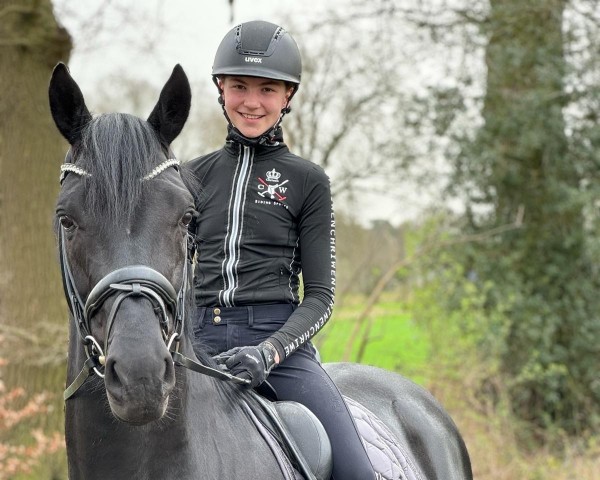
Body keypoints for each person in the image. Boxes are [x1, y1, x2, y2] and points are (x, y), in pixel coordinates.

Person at [188, 20, 376, 480]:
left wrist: (269, 352)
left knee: (356, 472)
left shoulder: (308, 181)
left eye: (267, 89)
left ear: (287, 96)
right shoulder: (190, 177)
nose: (252, 102)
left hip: (280, 349)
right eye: (239, 86)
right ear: (221, 88)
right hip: (197, 345)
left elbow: (321, 296)